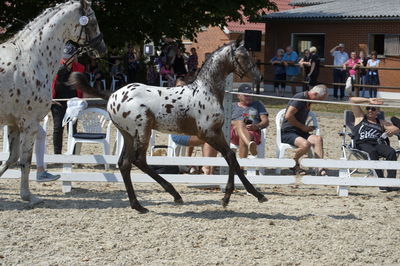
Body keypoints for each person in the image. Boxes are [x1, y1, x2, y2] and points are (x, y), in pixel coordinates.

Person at [349, 96, 400, 192]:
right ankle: (381, 183)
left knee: (391, 152)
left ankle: (390, 182)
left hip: (376, 143)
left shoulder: (381, 123)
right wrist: (369, 100)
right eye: (368, 108)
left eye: (373, 109)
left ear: (378, 112)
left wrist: (393, 131)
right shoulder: (360, 117)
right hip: (361, 143)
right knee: (372, 152)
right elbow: (352, 100)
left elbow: (395, 128)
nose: (370, 111)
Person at [170, 78, 218, 174]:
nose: (182, 89)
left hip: (192, 132)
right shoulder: (172, 101)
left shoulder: (192, 101)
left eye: (184, 87)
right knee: (209, 139)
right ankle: (207, 168)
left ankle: (209, 169)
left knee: (213, 137)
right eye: (179, 86)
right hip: (179, 133)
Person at [281, 84, 328, 175]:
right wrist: (304, 127)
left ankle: (319, 167)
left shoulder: (308, 100)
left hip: (299, 132)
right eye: (320, 99)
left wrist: (305, 128)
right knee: (306, 144)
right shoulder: (300, 98)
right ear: (314, 94)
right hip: (288, 132)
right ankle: (294, 163)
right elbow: (288, 116)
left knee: (318, 139)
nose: (320, 101)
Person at [51, 42, 84, 154]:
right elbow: (51, 83)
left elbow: (81, 80)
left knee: (72, 128)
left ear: (73, 57)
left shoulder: (78, 67)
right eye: (64, 57)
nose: (65, 60)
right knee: (58, 127)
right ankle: (57, 154)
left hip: (73, 102)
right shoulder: (56, 66)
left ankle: (73, 154)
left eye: (68, 57)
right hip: (58, 101)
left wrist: (74, 62)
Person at [231, 84, 269, 158]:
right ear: (238, 95)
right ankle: (249, 144)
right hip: (234, 133)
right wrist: (238, 124)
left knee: (244, 137)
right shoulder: (232, 106)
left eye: (250, 94)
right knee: (240, 123)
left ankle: (241, 168)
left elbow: (266, 121)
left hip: (252, 132)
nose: (249, 97)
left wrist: (256, 126)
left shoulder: (258, 104)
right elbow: (225, 120)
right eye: (246, 95)